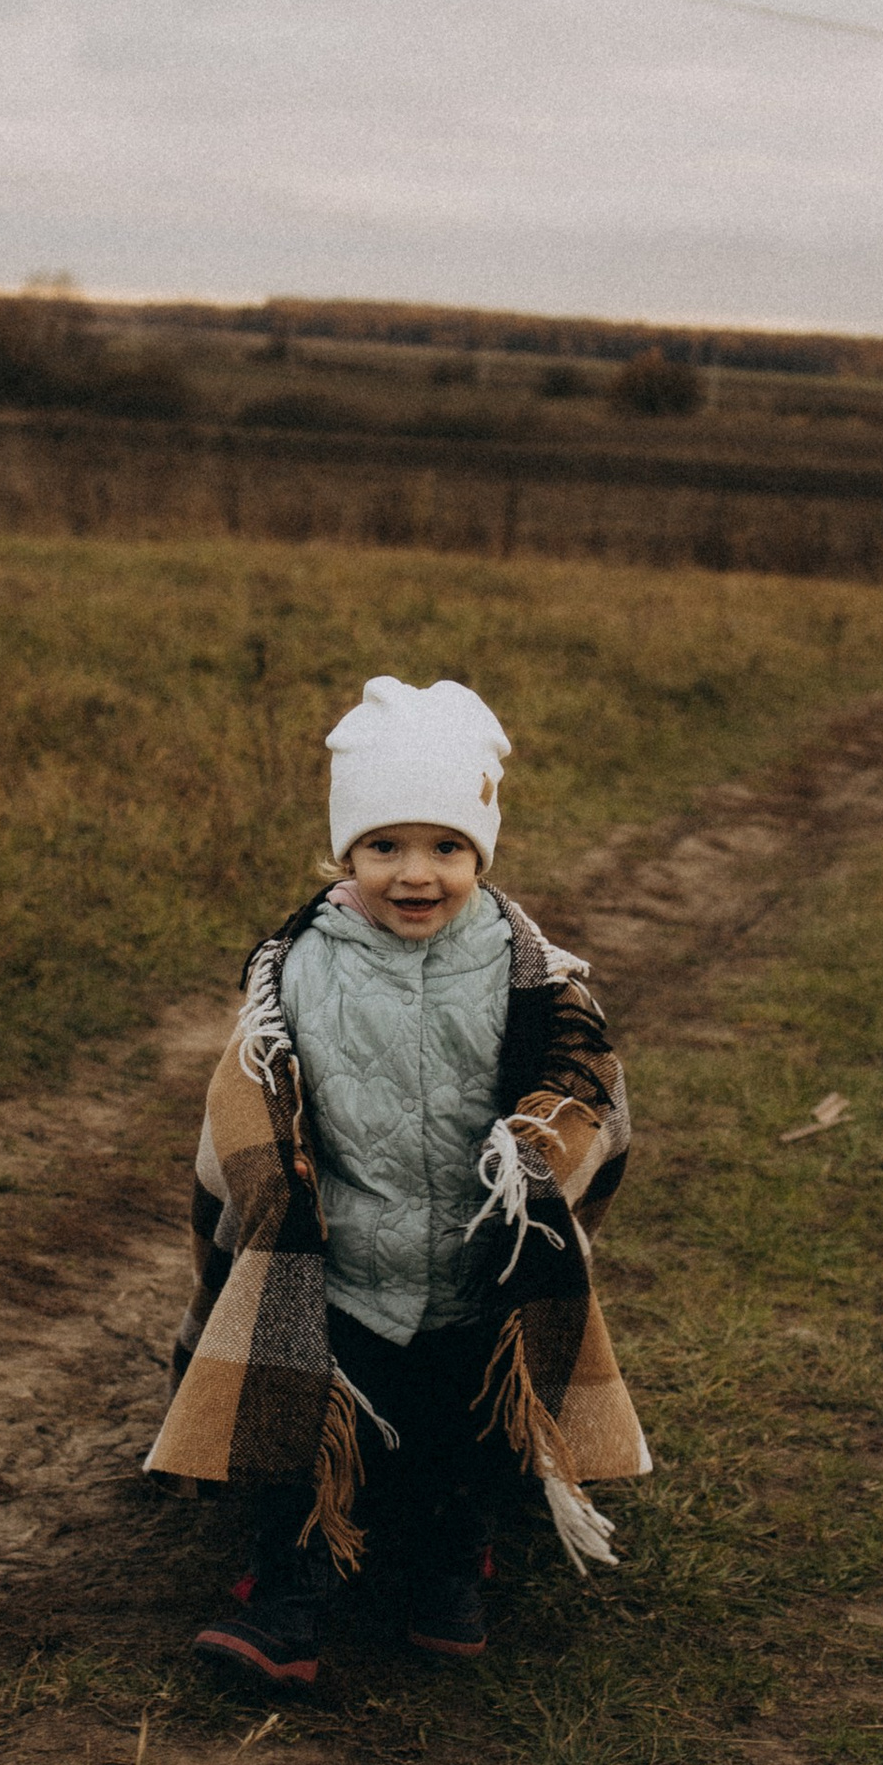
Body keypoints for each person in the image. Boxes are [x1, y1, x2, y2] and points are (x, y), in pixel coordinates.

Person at [144, 673, 650, 1703]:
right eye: (385, 847)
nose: (415, 874)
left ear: (481, 852)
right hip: (345, 1272)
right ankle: (287, 1603)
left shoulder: (529, 973)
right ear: (346, 853)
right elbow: (247, 1093)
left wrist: (542, 1152)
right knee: (315, 1434)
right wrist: (272, 1178)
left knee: (458, 1438)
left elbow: (588, 1089)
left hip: (474, 1268)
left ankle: (448, 1571)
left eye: (446, 848)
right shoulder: (299, 969)